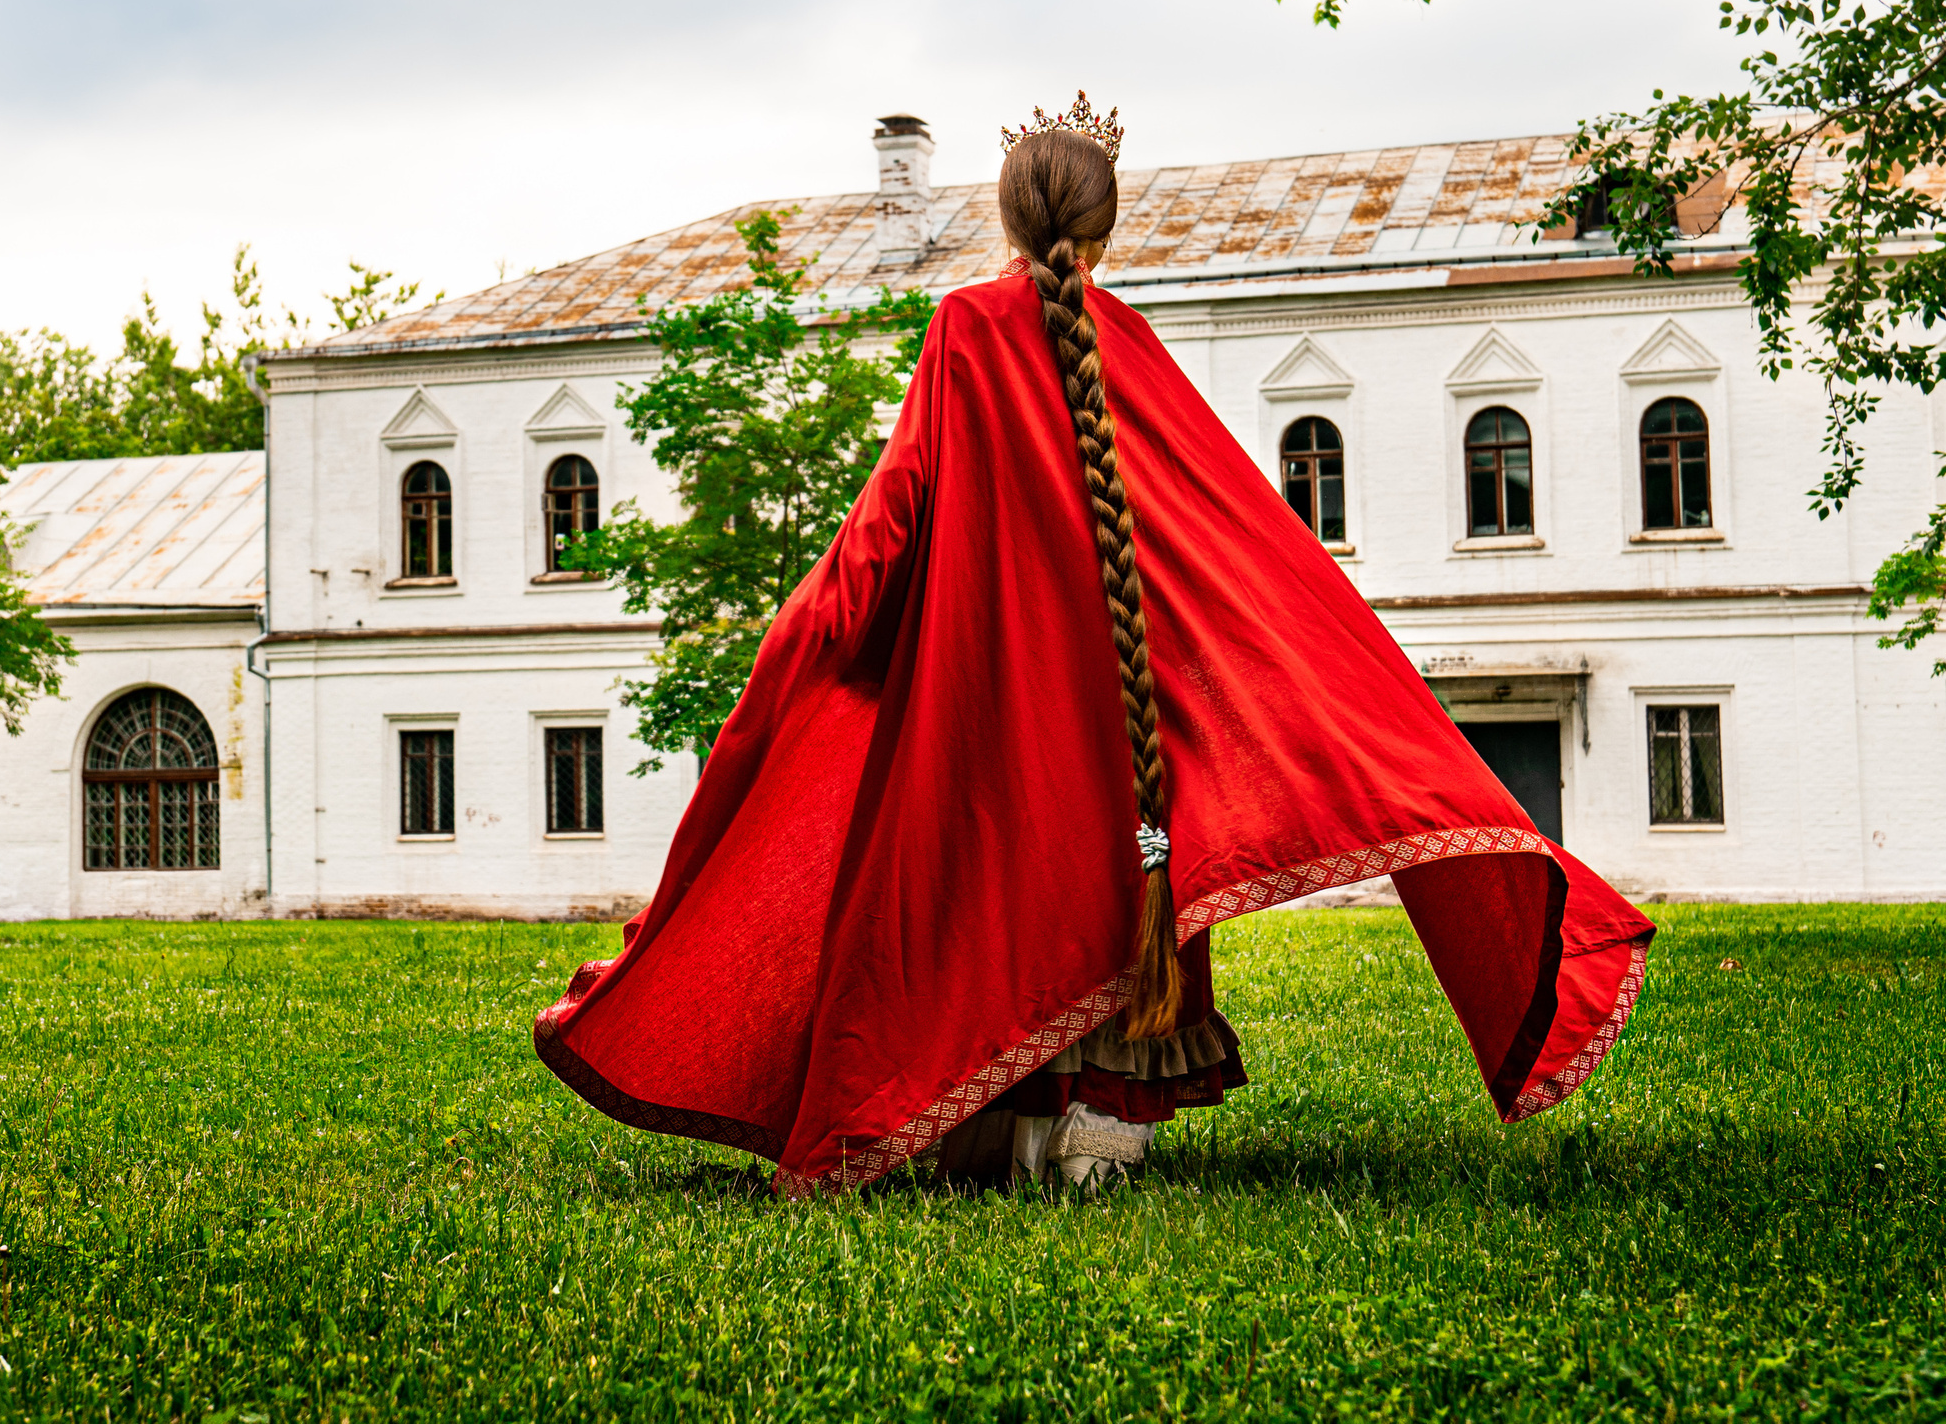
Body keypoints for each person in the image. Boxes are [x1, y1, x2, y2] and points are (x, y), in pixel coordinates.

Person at [537, 94, 1656, 1196]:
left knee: (983, 895)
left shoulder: (966, 333)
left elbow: (887, 525)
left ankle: (989, 1124)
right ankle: (1095, 1129)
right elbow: (1240, 535)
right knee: (1117, 883)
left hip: (995, 719)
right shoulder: (1133, 345)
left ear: (1007, 226)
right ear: (1106, 229)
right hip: (1131, 734)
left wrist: (809, 645)